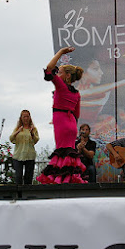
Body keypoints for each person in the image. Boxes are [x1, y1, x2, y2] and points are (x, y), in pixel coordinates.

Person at [36, 47, 87, 184]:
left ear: (67, 76)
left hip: (61, 122)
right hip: (71, 124)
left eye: (60, 73)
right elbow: (76, 114)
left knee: (61, 151)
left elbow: (48, 69)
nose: (57, 75)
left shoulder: (61, 87)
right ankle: (69, 180)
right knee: (69, 152)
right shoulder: (76, 93)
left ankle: (60, 181)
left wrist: (61, 52)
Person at [9, 110, 39, 185]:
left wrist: (32, 133)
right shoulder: (18, 128)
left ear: (30, 118)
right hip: (18, 155)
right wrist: (17, 131)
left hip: (29, 155)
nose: (26, 118)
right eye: (24, 116)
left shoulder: (33, 129)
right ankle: (19, 195)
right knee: (18, 176)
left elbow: (36, 140)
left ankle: (27, 195)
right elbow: (11, 139)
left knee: (28, 178)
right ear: (21, 118)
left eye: (27, 116)